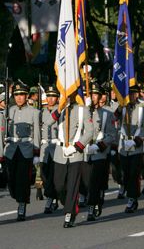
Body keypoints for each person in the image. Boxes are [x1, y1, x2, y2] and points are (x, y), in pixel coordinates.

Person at [1, 81, 41, 221]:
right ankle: (17, 195)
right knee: (11, 179)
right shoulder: (8, 111)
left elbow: (36, 133)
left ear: (26, 96)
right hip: (11, 149)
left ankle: (22, 204)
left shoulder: (34, 112)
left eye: (22, 95)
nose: (19, 98)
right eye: (16, 95)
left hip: (26, 148)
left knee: (23, 179)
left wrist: (36, 152)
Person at [54, 100, 94, 228]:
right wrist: (60, 109)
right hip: (60, 152)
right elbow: (49, 122)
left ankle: (69, 213)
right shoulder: (59, 108)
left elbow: (89, 132)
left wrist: (77, 147)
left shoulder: (83, 110)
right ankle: (68, 203)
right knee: (59, 185)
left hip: (75, 153)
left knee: (72, 185)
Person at [84, 82, 118, 221]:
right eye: (91, 94)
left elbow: (112, 134)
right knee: (86, 181)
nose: (93, 97)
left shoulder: (107, 113)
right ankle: (96, 198)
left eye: (96, 94)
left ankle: (92, 207)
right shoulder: (84, 111)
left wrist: (100, 145)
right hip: (85, 151)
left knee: (95, 181)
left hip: (99, 151)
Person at [118, 85, 143, 213]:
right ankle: (131, 194)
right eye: (130, 94)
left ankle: (132, 199)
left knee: (134, 174)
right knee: (126, 174)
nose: (132, 96)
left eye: (134, 94)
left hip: (136, 146)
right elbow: (115, 120)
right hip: (124, 146)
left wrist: (136, 140)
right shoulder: (122, 107)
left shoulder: (143, 108)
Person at [40, 85, 61, 213]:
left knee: (54, 176)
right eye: (48, 96)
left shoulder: (60, 111)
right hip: (44, 148)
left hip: (56, 147)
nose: (50, 99)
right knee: (44, 175)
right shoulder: (41, 112)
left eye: (53, 96)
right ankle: (52, 196)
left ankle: (51, 199)